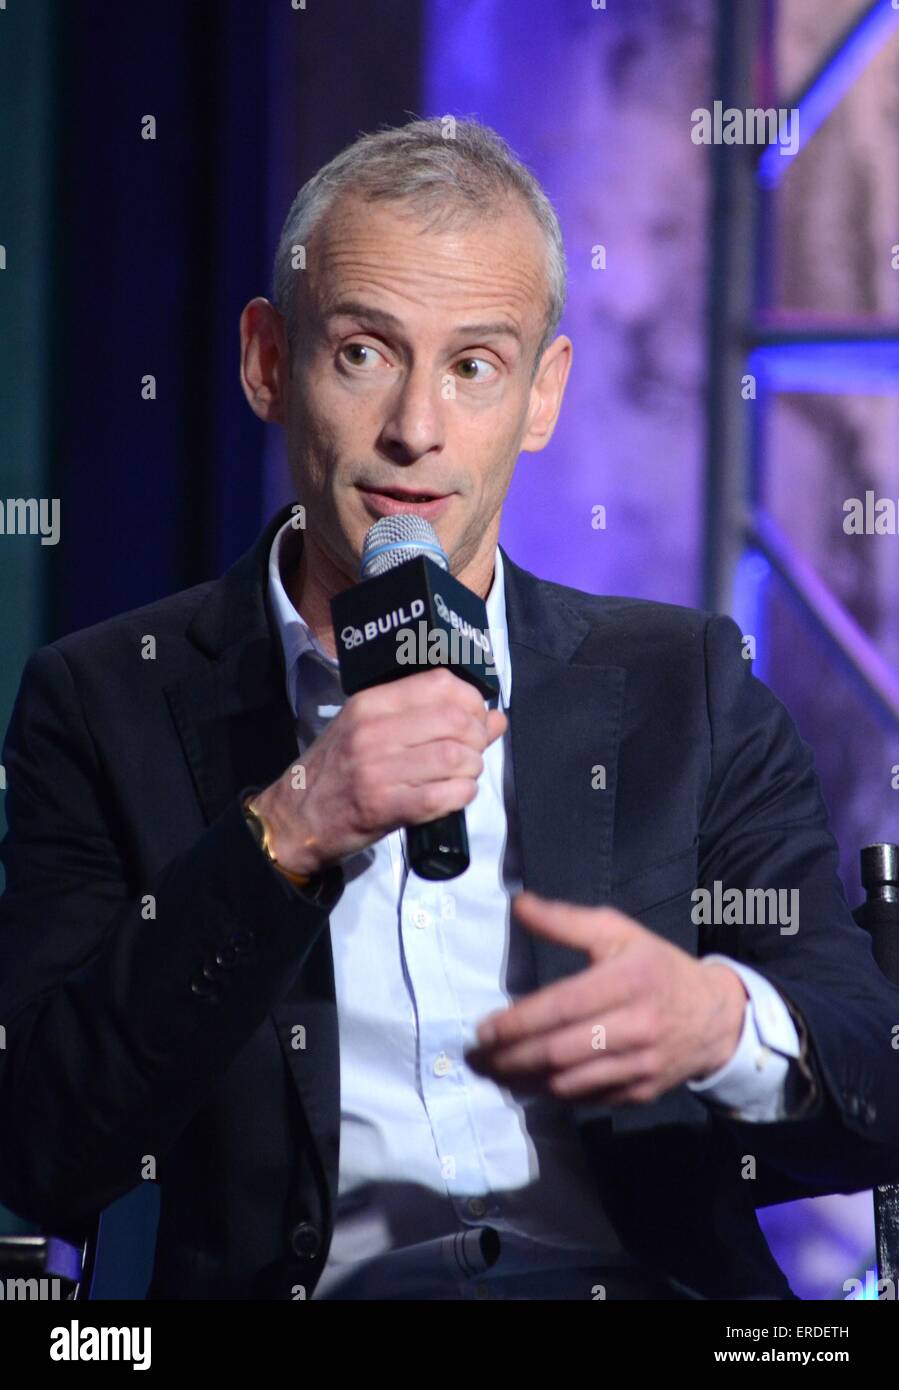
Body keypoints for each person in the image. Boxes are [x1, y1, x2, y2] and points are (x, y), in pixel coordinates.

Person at [1, 117, 897, 1302]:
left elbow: (871, 1088)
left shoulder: (687, 684)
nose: (415, 429)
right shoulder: (106, 698)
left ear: (542, 394)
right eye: (364, 352)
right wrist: (288, 828)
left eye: (473, 365)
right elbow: (47, 1143)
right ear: (268, 361)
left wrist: (718, 1025)